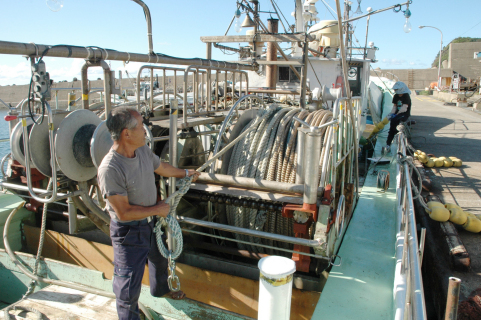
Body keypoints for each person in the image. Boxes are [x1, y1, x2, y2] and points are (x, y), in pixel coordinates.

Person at [97, 106, 200, 320]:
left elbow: (160, 167)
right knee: (128, 286)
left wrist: (186, 173)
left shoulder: (142, 149)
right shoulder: (110, 169)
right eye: (141, 127)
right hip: (129, 232)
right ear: (127, 133)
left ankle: (160, 289)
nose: (146, 130)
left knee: (159, 258)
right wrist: (158, 209)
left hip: (150, 222)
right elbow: (123, 212)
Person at [385, 81, 412, 151]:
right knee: (392, 126)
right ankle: (388, 143)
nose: (395, 91)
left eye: (397, 89)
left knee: (396, 122)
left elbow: (404, 108)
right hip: (397, 113)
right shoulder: (396, 96)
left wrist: (396, 115)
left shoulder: (406, 96)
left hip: (404, 113)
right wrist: (391, 114)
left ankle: (398, 143)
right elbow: (395, 106)